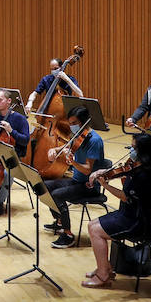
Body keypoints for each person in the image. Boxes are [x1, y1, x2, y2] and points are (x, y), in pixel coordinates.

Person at [83, 132, 151, 288]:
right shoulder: (138, 166)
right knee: (92, 225)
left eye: (133, 148)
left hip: (139, 222)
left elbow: (125, 196)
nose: (130, 151)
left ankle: (103, 274)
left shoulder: (146, 175)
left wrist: (105, 186)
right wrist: (102, 173)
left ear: (143, 151)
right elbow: (122, 171)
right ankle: (105, 267)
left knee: (96, 232)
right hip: (128, 214)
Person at [42, 106, 105, 248]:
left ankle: (68, 234)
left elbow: (88, 170)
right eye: (70, 123)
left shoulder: (94, 141)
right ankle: (59, 221)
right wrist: (55, 149)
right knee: (43, 186)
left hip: (89, 186)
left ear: (84, 122)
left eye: (74, 123)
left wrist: (72, 162)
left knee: (57, 195)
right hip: (76, 181)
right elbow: (68, 146)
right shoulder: (77, 136)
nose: (71, 127)